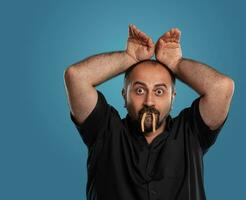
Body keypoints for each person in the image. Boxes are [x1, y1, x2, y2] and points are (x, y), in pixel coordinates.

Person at [63, 24, 234, 200]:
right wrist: (128, 57)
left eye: (159, 91)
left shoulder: (191, 133)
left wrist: (176, 64)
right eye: (139, 90)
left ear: (172, 97)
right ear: (124, 95)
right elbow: (76, 77)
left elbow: (221, 87)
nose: (149, 101)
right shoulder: (104, 132)